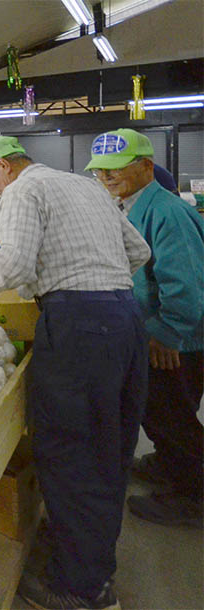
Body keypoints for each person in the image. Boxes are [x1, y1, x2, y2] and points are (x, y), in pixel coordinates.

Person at [0, 136, 151, 610]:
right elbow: (138, 253)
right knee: (110, 447)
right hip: (124, 319)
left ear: (3, 167)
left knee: (68, 447)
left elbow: (11, 264)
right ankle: (95, 564)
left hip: (78, 327)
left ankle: (80, 588)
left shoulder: (21, 192)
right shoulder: (86, 186)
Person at [86, 128, 204, 527]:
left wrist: (168, 332)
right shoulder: (130, 205)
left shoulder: (166, 211)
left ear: (146, 166)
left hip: (174, 343)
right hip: (151, 335)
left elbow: (185, 282)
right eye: (100, 171)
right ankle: (168, 465)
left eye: (115, 169)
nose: (106, 177)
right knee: (156, 413)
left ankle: (194, 497)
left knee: (173, 417)